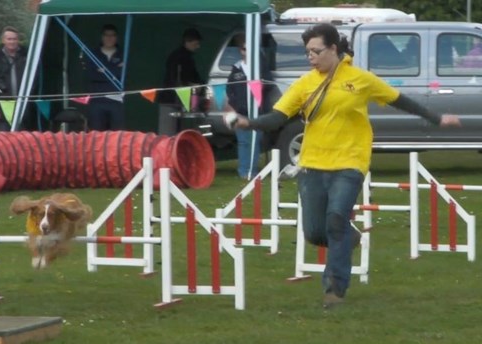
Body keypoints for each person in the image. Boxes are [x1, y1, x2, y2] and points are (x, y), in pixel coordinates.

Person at [228, 23, 461, 308]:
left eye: (316, 51)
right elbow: (277, 118)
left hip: (350, 162)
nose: (311, 57)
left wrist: (437, 119)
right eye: (307, 52)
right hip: (313, 162)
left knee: (337, 218)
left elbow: (400, 100)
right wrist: (247, 122)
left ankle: (334, 289)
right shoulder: (304, 84)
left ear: (334, 49)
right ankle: (349, 238)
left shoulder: (360, 79)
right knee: (315, 231)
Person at [226, 34, 277, 179]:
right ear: (240, 51)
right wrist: (235, 104)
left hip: (257, 110)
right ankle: (243, 171)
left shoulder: (261, 66)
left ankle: (252, 171)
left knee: (254, 141)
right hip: (241, 111)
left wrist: (257, 88)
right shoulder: (236, 69)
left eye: (248, 49)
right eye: (243, 49)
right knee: (243, 142)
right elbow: (229, 89)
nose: (245, 52)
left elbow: (269, 84)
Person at [158, 28, 203, 135]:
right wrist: (192, 85)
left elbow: (193, 76)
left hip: (180, 99)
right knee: (168, 133)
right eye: (196, 44)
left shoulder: (188, 57)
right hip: (171, 99)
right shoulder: (178, 57)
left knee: (179, 132)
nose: (198, 47)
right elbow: (175, 78)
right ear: (188, 42)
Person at [84, 24, 125, 131]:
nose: (109, 38)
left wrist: (104, 70)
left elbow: (124, 74)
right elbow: (91, 74)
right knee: (96, 134)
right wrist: (115, 69)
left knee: (116, 135)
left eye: (112, 35)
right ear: (102, 37)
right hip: (97, 99)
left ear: (117, 37)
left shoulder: (123, 54)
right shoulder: (92, 54)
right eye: (106, 35)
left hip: (116, 100)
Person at [0, 26, 28, 128]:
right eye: (9, 39)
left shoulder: (27, 55)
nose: (12, 42)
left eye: (14, 39)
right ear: (3, 40)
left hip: (25, 106)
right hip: (3, 108)